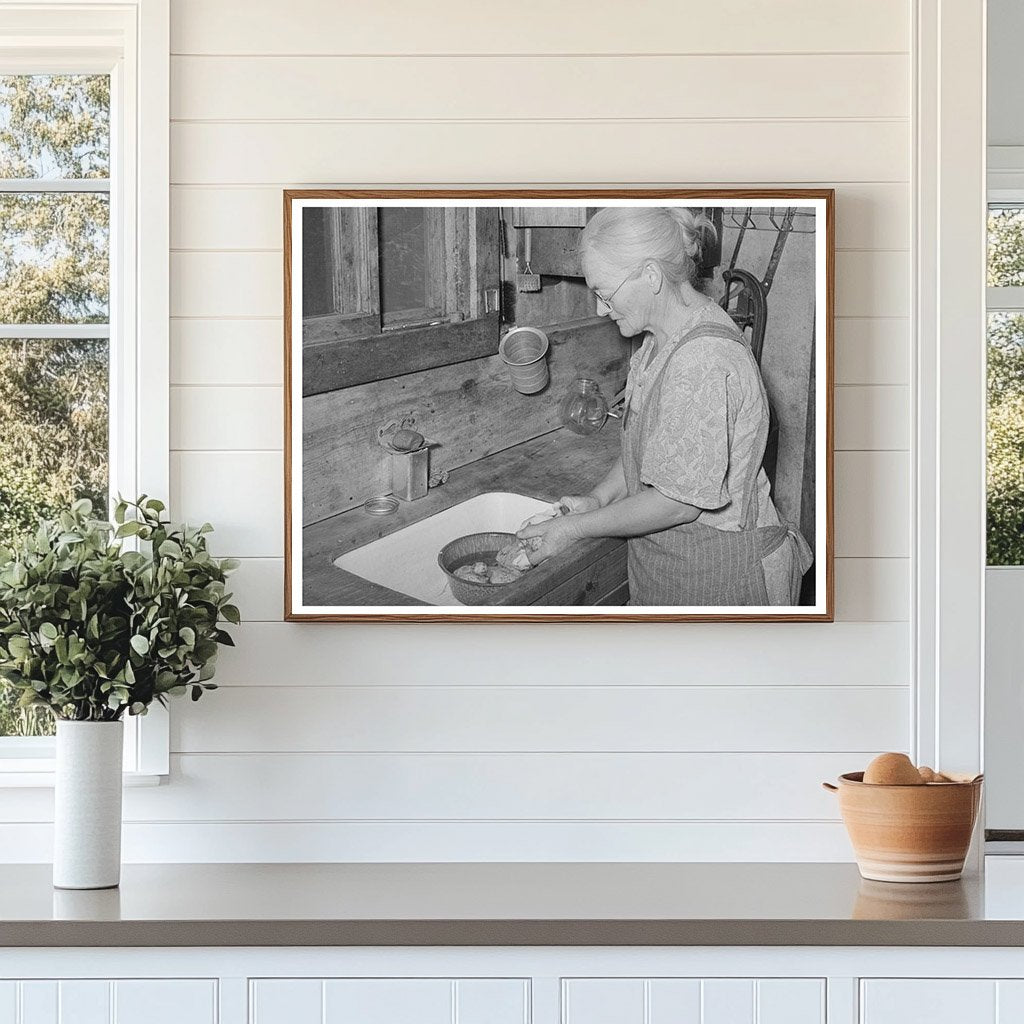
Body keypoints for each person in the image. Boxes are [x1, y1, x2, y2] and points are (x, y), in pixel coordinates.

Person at [517, 206, 812, 606]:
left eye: (605, 292)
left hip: (720, 582)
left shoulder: (703, 361)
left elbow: (676, 503)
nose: (600, 308)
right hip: (671, 572)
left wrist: (573, 529)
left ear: (651, 275)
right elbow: (648, 445)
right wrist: (599, 499)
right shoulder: (660, 338)